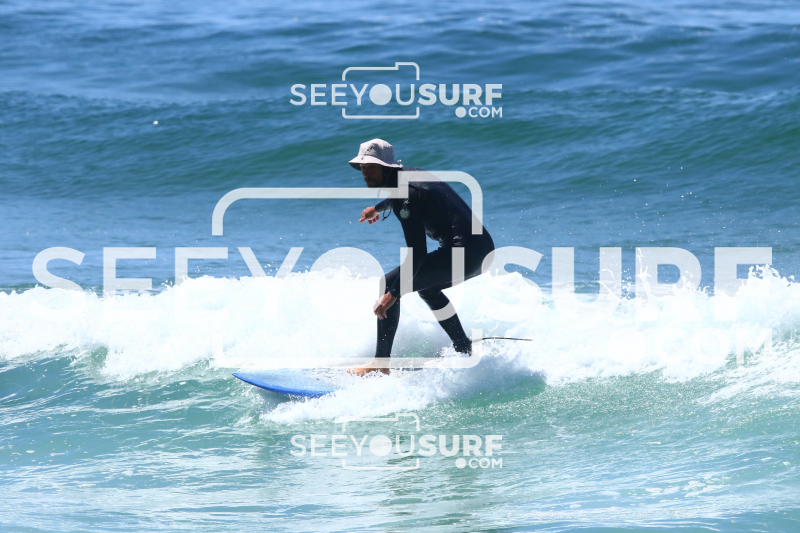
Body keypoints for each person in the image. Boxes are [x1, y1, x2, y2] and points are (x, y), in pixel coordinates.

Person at [348, 139, 495, 376]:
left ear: (386, 167)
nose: (366, 172)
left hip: (465, 252)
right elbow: (407, 197)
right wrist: (377, 209)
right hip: (482, 250)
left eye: (372, 167)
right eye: (363, 167)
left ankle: (380, 364)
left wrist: (393, 294)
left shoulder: (403, 195)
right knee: (428, 289)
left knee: (389, 282)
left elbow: (417, 252)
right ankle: (464, 347)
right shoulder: (409, 175)